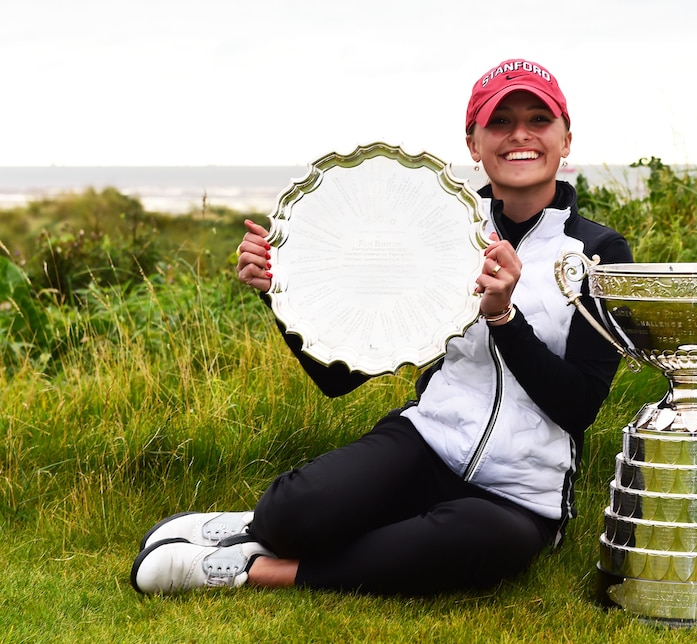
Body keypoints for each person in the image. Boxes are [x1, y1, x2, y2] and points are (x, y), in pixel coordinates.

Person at [130, 58, 633, 595]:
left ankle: (256, 569)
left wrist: (505, 319)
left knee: (485, 542)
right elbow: (338, 379)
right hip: (428, 440)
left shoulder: (600, 255)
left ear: (566, 137)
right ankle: (256, 529)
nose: (520, 136)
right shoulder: (438, 230)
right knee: (293, 512)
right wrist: (278, 292)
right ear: (473, 143)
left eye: (538, 119)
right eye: (500, 122)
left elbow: (577, 407)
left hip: (520, 491)